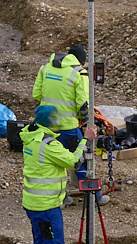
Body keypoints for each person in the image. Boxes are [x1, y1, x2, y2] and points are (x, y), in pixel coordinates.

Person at [21, 105, 98, 244]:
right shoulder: (49, 145)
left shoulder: (31, 136)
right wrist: (86, 140)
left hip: (33, 203)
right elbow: (74, 162)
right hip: (46, 206)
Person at [32, 43, 108, 205]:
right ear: (81, 61)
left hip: (46, 126)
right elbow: (83, 105)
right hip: (67, 127)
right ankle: (95, 197)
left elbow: (36, 94)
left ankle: (60, 197)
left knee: (52, 163)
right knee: (80, 160)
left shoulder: (45, 68)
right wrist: (86, 123)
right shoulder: (79, 74)